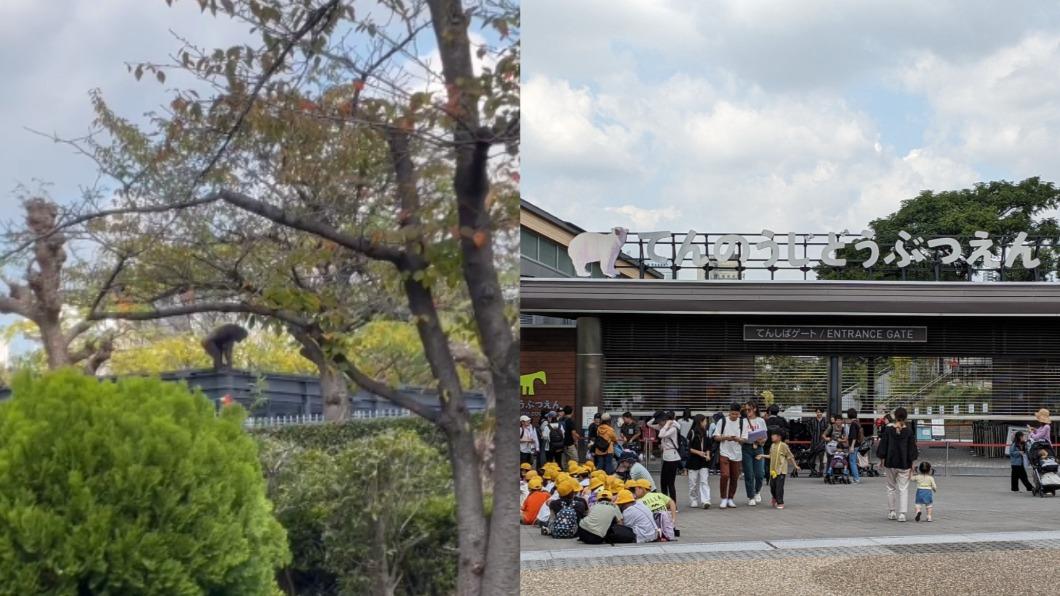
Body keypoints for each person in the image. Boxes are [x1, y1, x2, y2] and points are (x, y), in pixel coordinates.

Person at [877, 407, 918, 522]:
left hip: (890, 462)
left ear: (894, 416)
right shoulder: (909, 431)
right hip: (904, 463)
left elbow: (883, 446)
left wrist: (881, 460)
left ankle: (892, 511)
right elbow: (912, 449)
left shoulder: (888, 430)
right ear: (906, 417)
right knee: (903, 488)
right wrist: (912, 463)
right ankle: (902, 514)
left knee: (890, 487)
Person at [713, 402, 749, 509]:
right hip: (724, 451)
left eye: (736, 414)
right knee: (725, 475)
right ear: (729, 412)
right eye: (732, 414)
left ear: (739, 414)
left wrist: (738, 439)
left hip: (737, 453)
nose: (734, 416)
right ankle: (723, 498)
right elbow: (716, 436)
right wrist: (725, 437)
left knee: (734, 477)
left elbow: (745, 439)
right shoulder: (722, 421)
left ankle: (730, 498)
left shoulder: (743, 422)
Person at [758, 428, 797, 509]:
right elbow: (770, 456)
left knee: (779, 487)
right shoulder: (772, 445)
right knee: (772, 486)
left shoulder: (783, 445)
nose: (771, 436)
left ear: (779, 437)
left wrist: (795, 466)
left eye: (773, 435)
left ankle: (780, 502)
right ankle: (774, 497)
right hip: (773, 471)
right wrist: (762, 455)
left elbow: (790, 456)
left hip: (781, 470)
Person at [742, 401, 768, 506]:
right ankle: (751, 496)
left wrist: (761, 440)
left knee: (760, 473)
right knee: (749, 473)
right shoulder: (743, 421)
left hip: (758, 448)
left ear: (755, 409)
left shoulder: (760, 420)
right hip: (746, 447)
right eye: (746, 410)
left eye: (749, 409)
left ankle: (757, 491)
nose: (747, 412)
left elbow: (765, 436)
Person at [686, 414, 713, 509]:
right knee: (692, 482)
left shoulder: (707, 432)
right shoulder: (692, 432)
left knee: (704, 481)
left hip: (704, 461)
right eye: (705, 421)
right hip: (693, 461)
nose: (706, 423)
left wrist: (708, 455)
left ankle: (706, 500)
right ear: (700, 422)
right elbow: (688, 448)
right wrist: (699, 453)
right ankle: (693, 499)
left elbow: (709, 446)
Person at [655, 410, 681, 503]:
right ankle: (665, 503)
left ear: (664, 420)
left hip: (672, 457)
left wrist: (668, 424)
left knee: (670, 483)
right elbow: (649, 424)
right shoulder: (664, 427)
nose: (659, 424)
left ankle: (674, 504)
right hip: (666, 457)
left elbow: (661, 435)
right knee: (663, 482)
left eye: (660, 421)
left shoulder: (672, 428)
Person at [806, 407, 830, 477]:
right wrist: (812, 434)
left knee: (821, 459)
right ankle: (813, 471)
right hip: (814, 442)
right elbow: (808, 428)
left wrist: (825, 437)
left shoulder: (825, 421)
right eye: (817, 412)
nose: (819, 413)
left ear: (822, 413)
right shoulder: (812, 421)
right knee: (812, 458)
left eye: (820, 412)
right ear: (816, 413)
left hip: (822, 442)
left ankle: (820, 472)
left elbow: (828, 431)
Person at [845, 408, 864, 484]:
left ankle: (856, 478)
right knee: (853, 461)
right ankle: (854, 477)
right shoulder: (858, 422)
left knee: (852, 461)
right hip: (857, 444)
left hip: (854, 445)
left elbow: (853, 436)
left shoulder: (853, 424)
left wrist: (852, 446)